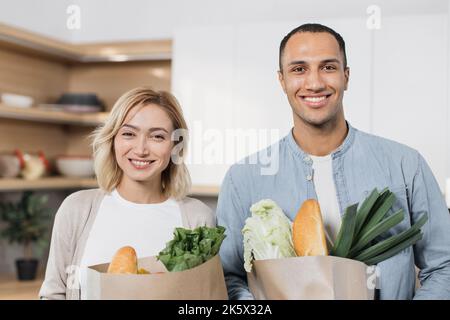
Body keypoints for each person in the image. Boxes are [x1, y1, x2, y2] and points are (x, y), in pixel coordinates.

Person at [217, 23, 450, 300]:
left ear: (346, 76)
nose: (314, 83)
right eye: (299, 69)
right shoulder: (243, 179)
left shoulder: (405, 165)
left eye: (328, 67)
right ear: (282, 80)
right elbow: (228, 278)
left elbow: (444, 267)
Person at [39, 87, 215, 299]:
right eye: (129, 134)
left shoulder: (197, 219)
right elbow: (52, 294)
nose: (141, 149)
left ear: (175, 146)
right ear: (113, 139)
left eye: (157, 136)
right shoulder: (77, 209)